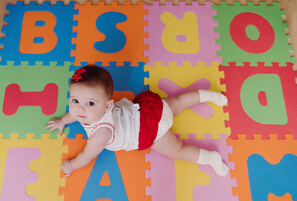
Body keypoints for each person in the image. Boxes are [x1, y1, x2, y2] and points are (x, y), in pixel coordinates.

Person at [46, 64, 229, 177]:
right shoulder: (86, 112)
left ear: (108, 106)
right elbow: (75, 115)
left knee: (177, 150)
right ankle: (209, 95)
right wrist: (63, 121)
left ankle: (210, 158)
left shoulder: (101, 133)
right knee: (177, 103)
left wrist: (72, 164)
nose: (80, 108)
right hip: (146, 108)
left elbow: (87, 155)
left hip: (149, 129)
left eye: (90, 103)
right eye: (74, 100)